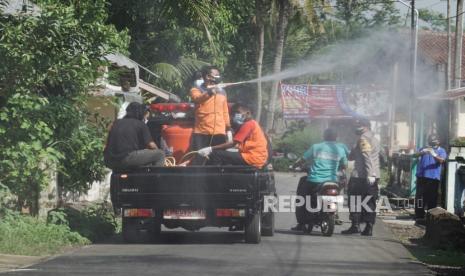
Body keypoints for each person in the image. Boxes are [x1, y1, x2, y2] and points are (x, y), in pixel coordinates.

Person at [290, 128, 348, 231]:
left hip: (314, 180)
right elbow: (344, 165)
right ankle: (334, 213)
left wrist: (294, 165)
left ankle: (301, 223)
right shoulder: (340, 149)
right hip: (333, 181)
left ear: (324, 136)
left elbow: (302, 160)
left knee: (301, 199)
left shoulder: (316, 147)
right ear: (336, 138)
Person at [197, 103, 268, 169]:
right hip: (257, 157)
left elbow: (232, 143)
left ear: (247, 113)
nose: (235, 115)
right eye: (234, 114)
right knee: (225, 155)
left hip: (252, 157)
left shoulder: (248, 124)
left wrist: (211, 148)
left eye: (238, 113)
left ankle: (212, 178)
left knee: (216, 154)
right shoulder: (253, 123)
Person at [341, 118, 380, 236]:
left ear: (366, 127)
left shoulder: (363, 138)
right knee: (370, 202)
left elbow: (366, 156)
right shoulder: (375, 138)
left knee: (354, 200)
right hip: (373, 175)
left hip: (362, 176)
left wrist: (370, 174)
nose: (356, 128)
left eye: (359, 126)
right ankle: (369, 227)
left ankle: (355, 226)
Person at [104, 102, 165, 170]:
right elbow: (151, 146)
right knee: (160, 154)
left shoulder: (116, 123)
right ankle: (155, 179)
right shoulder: (140, 124)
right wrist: (155, 153)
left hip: (109, 160)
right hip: (126, 158)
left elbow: (106, 143)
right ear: (140, 112)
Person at [190, 66, 231, 165]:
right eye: (216, 75)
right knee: (200, 159)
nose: (219, 77)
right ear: (208, 76)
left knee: (218, 160)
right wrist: (210, 92)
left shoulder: (222, 92)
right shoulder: (196, 89)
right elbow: (197, 99)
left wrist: (228, 128)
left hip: (219, 131)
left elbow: (225, 111)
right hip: (202, 131)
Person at [414, 134, 447, 221]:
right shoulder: (423, 148)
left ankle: (430, 216)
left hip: (433, 178)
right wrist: (422, 152)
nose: (432, 144)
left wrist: (433, 154)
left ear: (438, 142)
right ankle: (419, 215)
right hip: (421, 176)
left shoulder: (441, 150)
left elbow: (442, 160)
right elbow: (415, 155)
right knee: (420, 198)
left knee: (432, 198)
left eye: (434, 142)